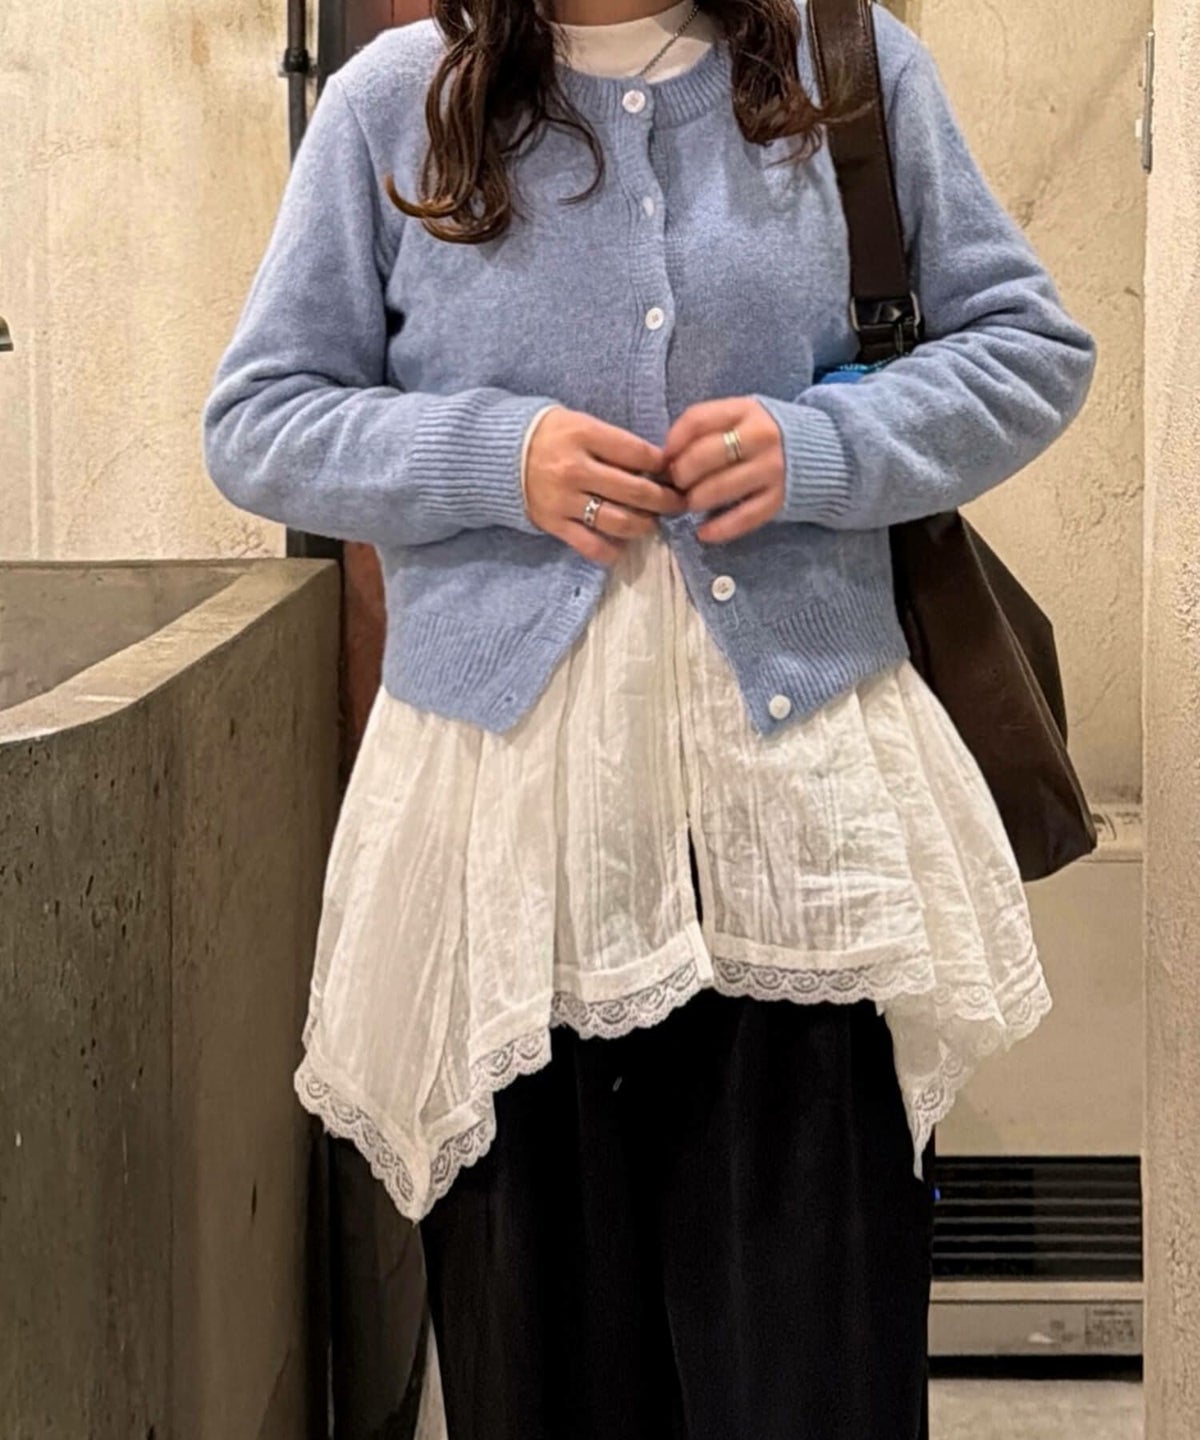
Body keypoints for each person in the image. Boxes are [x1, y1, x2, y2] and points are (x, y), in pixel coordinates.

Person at [203, 0, 1095, 1434]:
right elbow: (259, 419)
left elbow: (1029, 351)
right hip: (513, 868)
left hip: (799, 851)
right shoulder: (398, 99)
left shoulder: (841, 64)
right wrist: (495, 457)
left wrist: (825, 444)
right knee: (545, 1373)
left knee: (816, 1378)